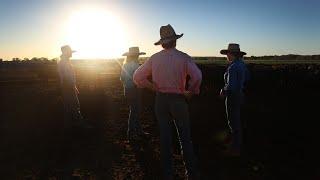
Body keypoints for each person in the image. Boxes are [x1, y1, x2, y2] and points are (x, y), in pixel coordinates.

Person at [133, 24, 202, 179]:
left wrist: (151, 86)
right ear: (175, 41)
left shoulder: (154, 58)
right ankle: (191, 173)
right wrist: (191, 91)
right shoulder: (184, 57)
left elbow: (137, 77)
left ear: (162, 42)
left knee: (164, 137)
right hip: (178, 99)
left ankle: (168, 173)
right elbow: (197, 76)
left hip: (161, 100)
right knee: (185, 137)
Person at [219, 43, 249, 156]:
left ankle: (235, 149)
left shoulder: (232, 67)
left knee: (233, 123)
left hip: (232, 97)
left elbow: (230, 86)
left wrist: (223, 91)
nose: (226, 56)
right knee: (237, 122)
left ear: (232, 54)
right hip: (240, 95)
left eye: (227, 54)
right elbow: (247, 78)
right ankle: (235, 145)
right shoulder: (242, 65)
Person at [57, 45, 90, 129]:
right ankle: (78, 125)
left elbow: (66, 77)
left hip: (68, 87)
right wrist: (72, 87)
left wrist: (74, 87)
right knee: (74, 106)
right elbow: (65, 77)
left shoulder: (64, 62)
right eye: (70, 52)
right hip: (68, 87)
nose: (71, 54)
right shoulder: (64, 63)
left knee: (69, 107)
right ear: (66, 53)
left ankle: (70, 126)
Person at [120, 47, 149, 141]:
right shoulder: (136, 65)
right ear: (136, 55)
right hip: (135, 90)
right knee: (135, 112)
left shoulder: (125, 65)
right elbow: (139, 78)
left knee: (134, 110)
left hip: (128, 90)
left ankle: (138, 131)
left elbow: (122, 78)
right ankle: (132, 133)